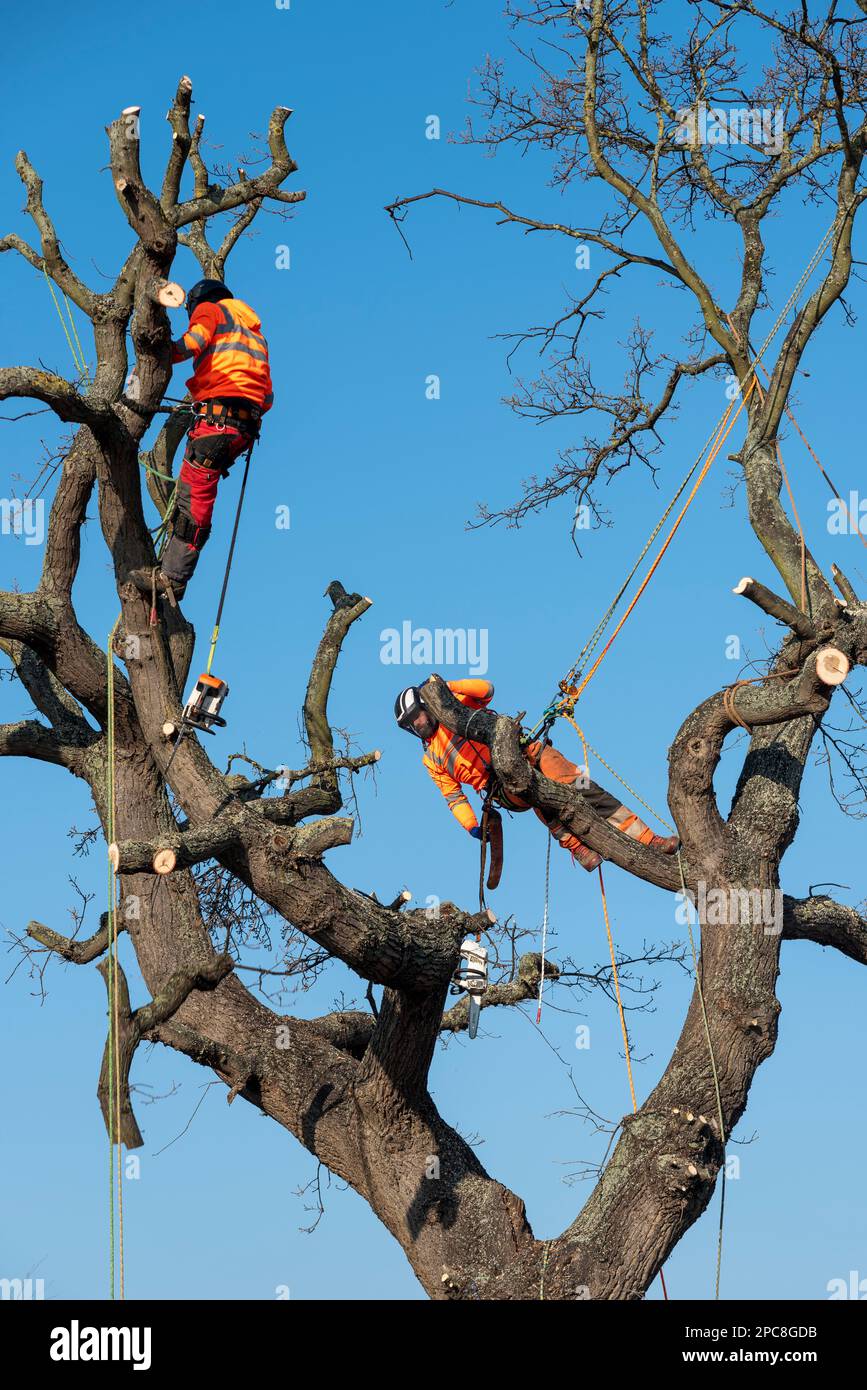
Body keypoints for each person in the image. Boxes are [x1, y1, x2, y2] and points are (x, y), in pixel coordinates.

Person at [394, 678, 678, 871]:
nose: (417, 725)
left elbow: (487, 690)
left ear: (425, 706)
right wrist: (472, 827)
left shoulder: (455, 702)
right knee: (536, 795)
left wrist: (446, 687)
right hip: (500, 787)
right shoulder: (431, 758)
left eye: (416, 716)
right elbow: (453, 797)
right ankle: (576, 846)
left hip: (526, 751)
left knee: (578, 784)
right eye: (411, 724)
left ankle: (649, 840)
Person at [129, 278, 273, 599]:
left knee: (194, 497)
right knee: (190, 486)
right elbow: (268, 396)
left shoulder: (210, 310)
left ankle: (172, 578)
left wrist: (162, 351)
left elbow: (193, 341)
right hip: (243, 427)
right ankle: (173, 561)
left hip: (218, 421)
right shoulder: (253, 332)